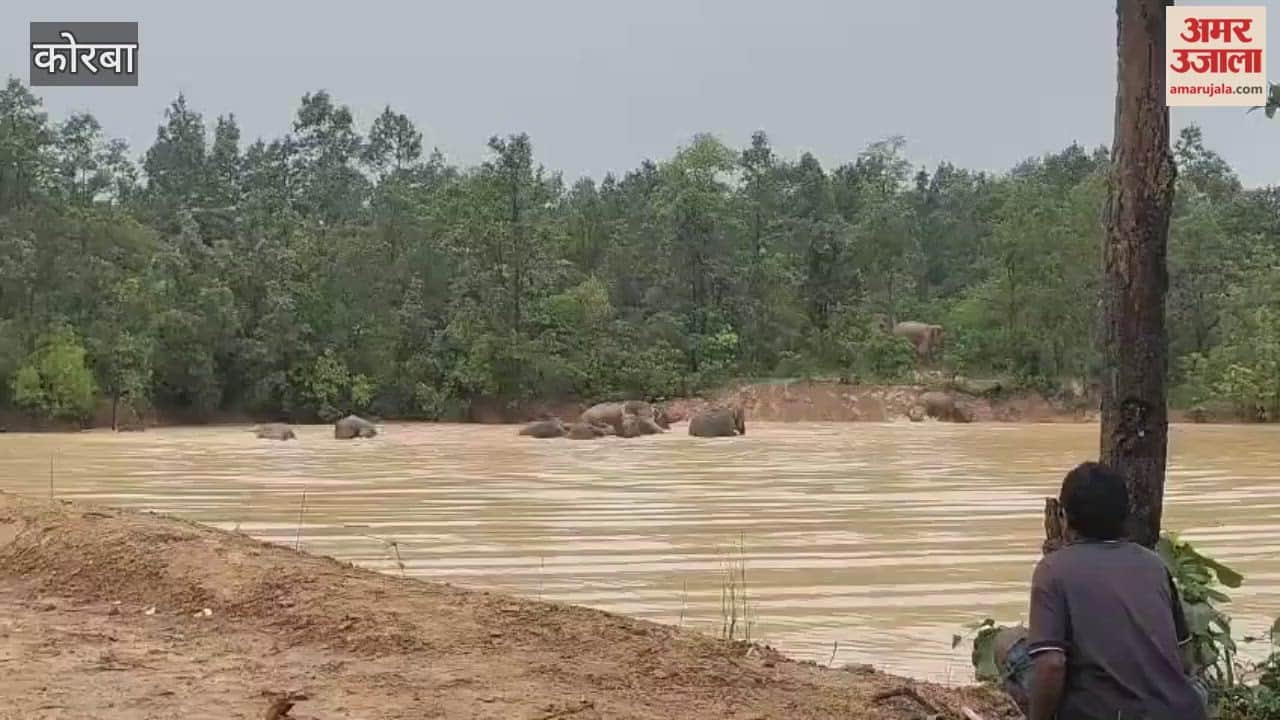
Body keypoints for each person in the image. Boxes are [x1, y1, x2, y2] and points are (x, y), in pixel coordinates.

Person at [1019, 461, 1208, 720]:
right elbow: (1184, 658)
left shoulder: (1052, 569)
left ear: (1063, 517)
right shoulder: (1153, 564)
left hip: (1104, 712)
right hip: (1180, 711)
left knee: (1009, 644)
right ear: (1125, 515)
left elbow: (1052, 664)